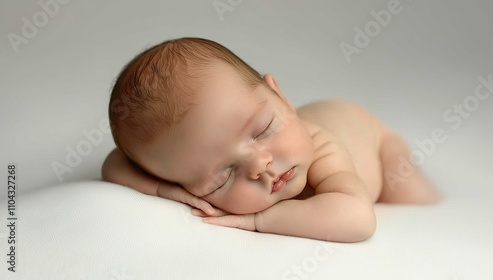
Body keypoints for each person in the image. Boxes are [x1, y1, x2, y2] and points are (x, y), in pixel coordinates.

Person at [102, 37, 440, 242]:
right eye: (222, 177)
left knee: (416, 200)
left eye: (263, 130)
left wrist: (257, 221)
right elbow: (114, 163)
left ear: (281, 97)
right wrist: (168, 190)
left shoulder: (322, 149)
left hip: (375, 138)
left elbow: (358, 219)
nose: (259, 165)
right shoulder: (184, 172)